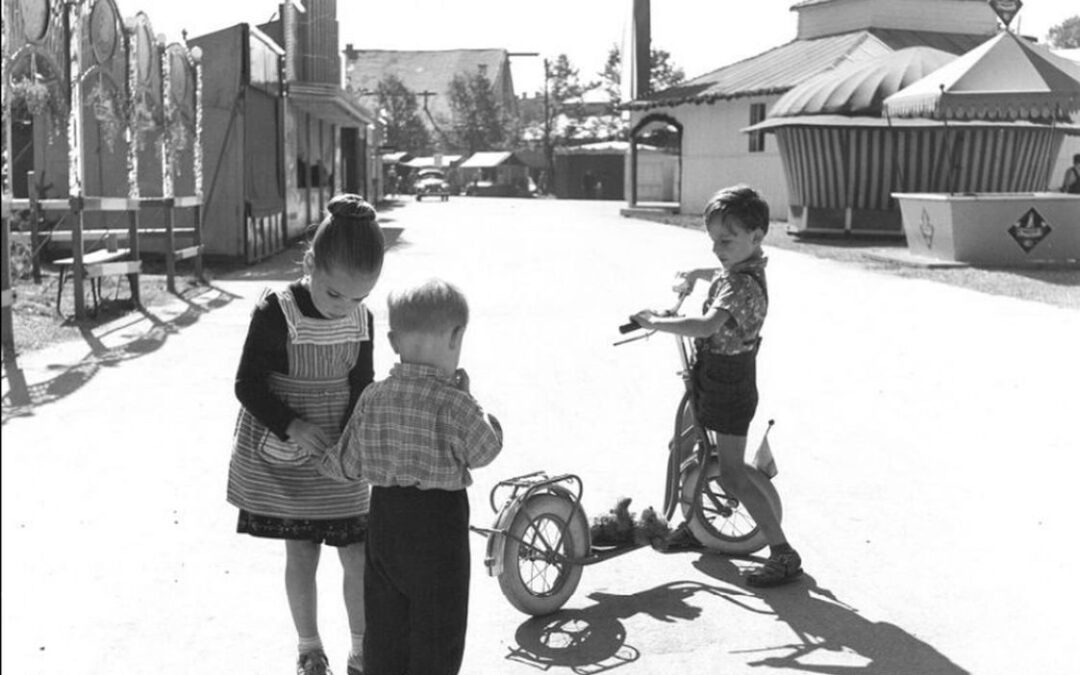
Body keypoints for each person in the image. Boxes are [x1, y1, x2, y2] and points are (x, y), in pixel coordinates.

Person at [226, 194, 384, 675]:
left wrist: (359, 443)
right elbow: (246, 384)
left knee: (357, 552)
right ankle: (309, 650)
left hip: (341, 452)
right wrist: (292, 424)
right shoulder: (278, 311)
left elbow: (361, 386)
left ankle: (362, 650)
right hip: (291, 451)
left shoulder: (361, 318)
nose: (345, 308)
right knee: (302, 551)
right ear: (311, 264)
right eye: (335, 294)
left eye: (360, 297)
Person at [315, 278, 503, 675]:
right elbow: (485, 449)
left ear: (392, 341)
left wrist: (318, 458)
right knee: (438, 630)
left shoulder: (373, 396)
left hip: (385, 520)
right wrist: (474, 403)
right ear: (456, 337)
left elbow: (347, 462)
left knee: (385, 626)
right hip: (438, 528)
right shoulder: (454, 402)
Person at [632, 184, 803, 588]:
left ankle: (783, 552)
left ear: (757, 237)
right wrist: (697, 273)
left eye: (725, 241)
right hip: (711, 375)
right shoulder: (743, 267)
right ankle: (695, 522)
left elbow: (707, 325)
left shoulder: (742, 285)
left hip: (730, 385)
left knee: (731, 474)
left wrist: (657, 322)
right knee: (685, 446)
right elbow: (723, 272)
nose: (717, 249)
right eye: (712, 241)